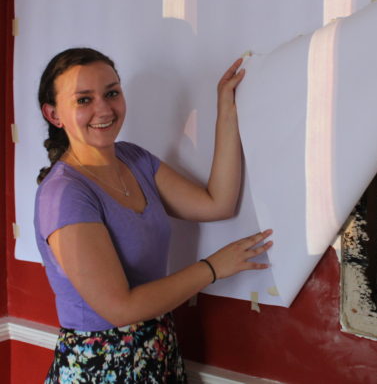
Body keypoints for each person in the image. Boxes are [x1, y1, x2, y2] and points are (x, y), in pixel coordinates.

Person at [34, 47, 272, 383]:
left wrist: (227, 110)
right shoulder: (65, 194)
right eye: (83, 100)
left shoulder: (134, 158)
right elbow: (120, 308)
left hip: (157, 350)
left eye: (111, 93)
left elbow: (217, 203)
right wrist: (213, 268)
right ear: (54, 114)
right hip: (100, 368)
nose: (104, 108)